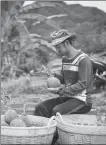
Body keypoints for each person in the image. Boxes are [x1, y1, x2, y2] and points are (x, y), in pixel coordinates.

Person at [34, 29, 94, 118]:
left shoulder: (83, 59)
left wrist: (61, 91)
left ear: (66, 43)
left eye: (58, 47)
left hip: (82, 101)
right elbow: (64, 79)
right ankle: (44, 131)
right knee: (41, 107)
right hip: (68, 97)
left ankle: (56, 132)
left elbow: (83, 84)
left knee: (57, 111)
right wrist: (53, 75)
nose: (57, 50)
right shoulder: (65, 59)